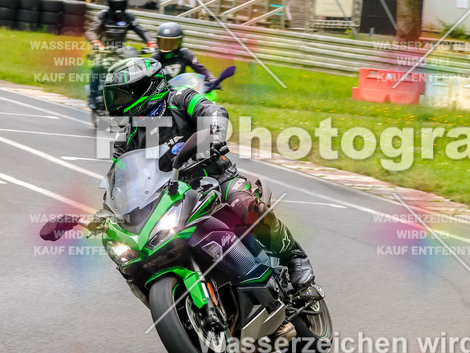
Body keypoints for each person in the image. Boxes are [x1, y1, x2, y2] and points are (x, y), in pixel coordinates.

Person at [101, 57, 320, 299]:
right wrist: (110, 209)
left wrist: (214, 134)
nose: (120, 105)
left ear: (148, 87)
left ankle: (295, 258)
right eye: (115, 98)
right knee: (136, 257)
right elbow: (120, 178)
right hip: (170, 197)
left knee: (246, 207)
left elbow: (213, 110)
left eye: (124, 96)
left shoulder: (180, 99)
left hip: (216, 178)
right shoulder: (126, 138)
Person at [84, 0, 155, 111]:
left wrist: (151, 42)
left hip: (122, 52)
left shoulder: (128, 17)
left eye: (120, 4)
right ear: (109, 3)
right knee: (97, 67)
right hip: (103, 51)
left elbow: (141, 31)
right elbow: (91, 31)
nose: (118, 7)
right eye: (115, 4)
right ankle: (93, 96)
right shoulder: (103, 16)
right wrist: (96, 43)